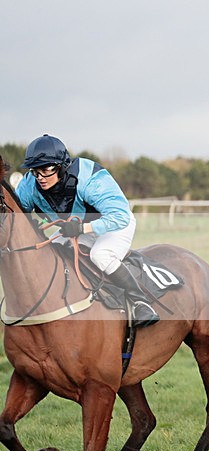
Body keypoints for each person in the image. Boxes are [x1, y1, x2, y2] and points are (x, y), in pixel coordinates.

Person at [16, 134, 159, 327]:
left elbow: (120, 216)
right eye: (35, 171)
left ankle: (141, 302)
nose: (40, 177)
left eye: (46, 169)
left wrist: (84, 227)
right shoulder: (29, 185)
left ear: (61, 166)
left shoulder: (90, 178)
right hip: (75, 231)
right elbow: (15, 217)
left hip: (114, 224)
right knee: (51, 256)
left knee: (101, 255)